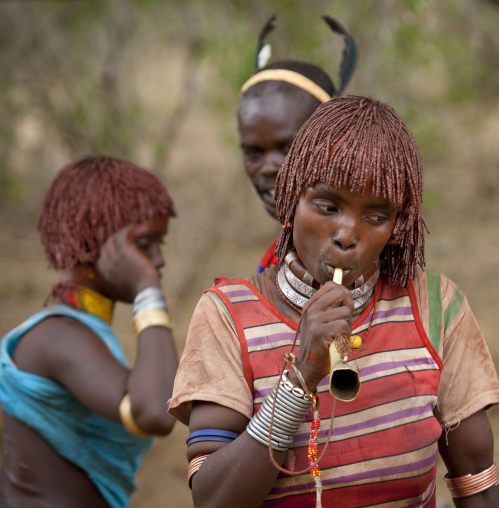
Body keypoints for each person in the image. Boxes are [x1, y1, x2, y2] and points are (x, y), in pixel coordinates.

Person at [169, 95, 499, 507]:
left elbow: (479, 489)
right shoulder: (227, 315)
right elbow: (213, 499)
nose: (347, 234)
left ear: (398, 226)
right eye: (327, 206)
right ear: (291, 198)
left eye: (376, 216)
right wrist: (301, 376)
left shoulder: (436, 307)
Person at [0, 155, 179, 508]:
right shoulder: (59, 337)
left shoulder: (75, 330)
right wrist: (147, 290)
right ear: (96, 246)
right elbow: (155, 411)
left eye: (160, 243)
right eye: (143, 245)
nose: (158, 260)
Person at [237, 14, 358, 273]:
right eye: (253, 152)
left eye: (288, 148)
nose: (269, 168)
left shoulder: (358, 255)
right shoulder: (277, 260)